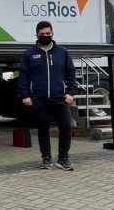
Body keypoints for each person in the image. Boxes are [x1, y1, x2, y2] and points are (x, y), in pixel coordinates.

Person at [19, 21, 78, 171]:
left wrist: (71, 92)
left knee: (66, 126)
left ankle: (63, 158)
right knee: (43, 129)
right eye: (42, 34)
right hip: (39, 98)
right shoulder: (29, 54)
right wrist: (25, 95)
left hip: (60, 98)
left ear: (52, 34)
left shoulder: (63, 53)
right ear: (37, 35)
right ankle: (46, 158)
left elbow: (71, 73)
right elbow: (23, 75)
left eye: (48, 33)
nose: (45, 36)